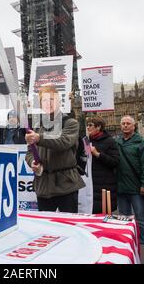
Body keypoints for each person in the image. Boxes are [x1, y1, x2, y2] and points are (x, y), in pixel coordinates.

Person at [25, 85, 84, 213]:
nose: (48, 103)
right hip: (43, 186)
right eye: (44, 100)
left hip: (66, 185)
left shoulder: (70, 123)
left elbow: (63, 142)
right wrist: (32, 163)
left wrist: (39, 138)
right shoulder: (37, 126)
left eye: (52, 99)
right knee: (46, 228)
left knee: (68, 227)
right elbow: (30, 152)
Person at [115, 115, 144, 250]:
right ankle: (127, 244)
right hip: (121, 187)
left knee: (140, 219)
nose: (125, 125)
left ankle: (143, 245)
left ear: (134, 126)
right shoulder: (116, 142)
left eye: (128, 123)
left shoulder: (142, 143)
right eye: (123, 123)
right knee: (124, 218)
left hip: (136, 187)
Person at [83, 116, 120, 214]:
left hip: (104, 185)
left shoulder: (109, 141)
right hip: (90, 185)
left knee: (104, 218)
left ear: (98, 127)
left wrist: (98, 154)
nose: (88, 127)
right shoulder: (86, 141)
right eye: (87, 125)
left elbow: (115, 161)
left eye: (90, 125)